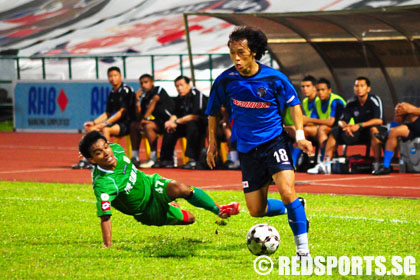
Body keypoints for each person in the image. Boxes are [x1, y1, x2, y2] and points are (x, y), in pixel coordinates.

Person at [206, 26, 312, 259]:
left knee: (286, 190)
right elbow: (213, 112)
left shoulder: (274, 78)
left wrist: (300, 136)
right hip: (247, 150)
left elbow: (294, 105)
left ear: (254, 52)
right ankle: (295, 206)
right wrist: (212, 144)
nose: (236, 58)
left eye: (241, 52)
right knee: (256, 210)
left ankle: (303, 252)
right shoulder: (225, 80)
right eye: (232, 52)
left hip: (274, 142)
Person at [79, 131, 240, 248]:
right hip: (148, 210)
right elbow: (105, 217)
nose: (106, 153)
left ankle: (218, 210)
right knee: (190, 219)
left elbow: (104, 144)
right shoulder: (104, 185)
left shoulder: (116, 150)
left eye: (106, 147)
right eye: (98, 153)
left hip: (151, 183)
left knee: (181, 188)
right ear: (92, 160)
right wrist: (108, 246)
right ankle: (171, 207)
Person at [308, 76, 385, 174]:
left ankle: (377, 164)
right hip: (357, 132)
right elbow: (341, 120)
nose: (359, 88)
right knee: (335, 131)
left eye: (362, 86)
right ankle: (325, 163)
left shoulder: (374, 100)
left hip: (375, 130)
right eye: (356, 86)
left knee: (373, 130)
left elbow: (379, 120)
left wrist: (360, 125)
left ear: (368, 88)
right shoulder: (351, 102)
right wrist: (345, 127)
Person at [72, 66, 134, 169]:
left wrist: (105, 123)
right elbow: (108, 113)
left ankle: (108, 160)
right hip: (115, 123)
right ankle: (87, 159)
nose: (113, 78)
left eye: (115, 75)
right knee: (90, 129)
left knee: (106, 130)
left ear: (120, 76)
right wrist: (94, 122)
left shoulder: (125, 90)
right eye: (110, 76)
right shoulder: (112, 92)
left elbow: (121, 112)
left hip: (127, 123)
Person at [154, 76, 208, 169]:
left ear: (188, 85)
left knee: (192, 125)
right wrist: (171, 121)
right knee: (170, 128)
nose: (179, 88)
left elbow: (194, 116)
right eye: (177, 86)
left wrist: (176, 121)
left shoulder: (197, 95)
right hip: (185, 125)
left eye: (181, 85)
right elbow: (175, 113)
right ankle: (166, 159)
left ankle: (193, 159)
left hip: (201, 125)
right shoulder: (180, 98)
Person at [129, 74, 175, 168]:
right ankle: (135, 157)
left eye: (146, 82)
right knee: (134, 125)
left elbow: (154, 101)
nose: (143, 85)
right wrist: (137, 100)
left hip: (170, 120)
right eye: (141, 83)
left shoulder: (158, 89)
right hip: (159, 123)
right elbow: (139, 115)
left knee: (148, 126)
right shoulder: (144, 97)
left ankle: (153, 158)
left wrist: (145, 119)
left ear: (152, 82)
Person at [373, 102, 420, 175]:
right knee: (394, 131)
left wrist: (409, 109)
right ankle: (386, 166)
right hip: (416, 127)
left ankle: (386, 135)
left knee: (404, 107)